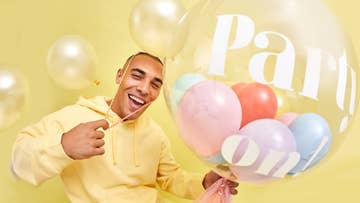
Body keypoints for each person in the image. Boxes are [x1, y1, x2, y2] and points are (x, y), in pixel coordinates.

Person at [11, 52, 238, 203]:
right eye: (137, 76)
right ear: (120, 76)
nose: (144, 89)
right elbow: (19, 159)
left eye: (155, 84)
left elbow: (171, 178)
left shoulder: (154, 134)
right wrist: (63, 146)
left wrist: (204, 183)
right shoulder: (73, 117)